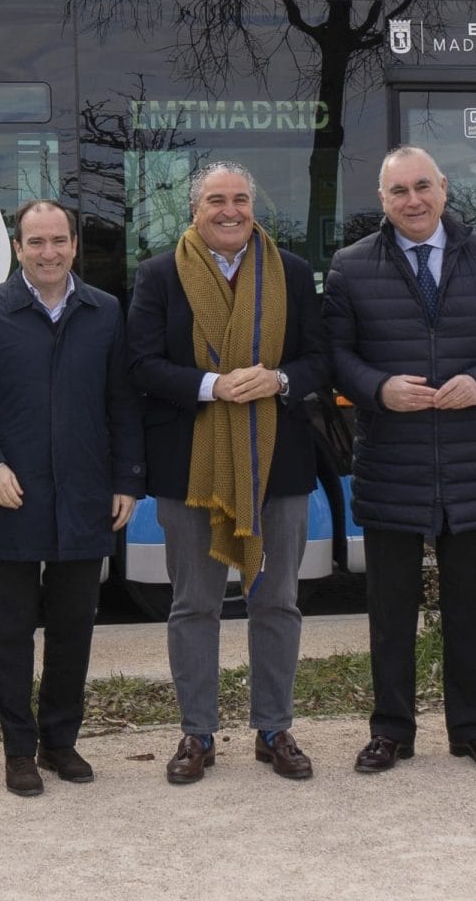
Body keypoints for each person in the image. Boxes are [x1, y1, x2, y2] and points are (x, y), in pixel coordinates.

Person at [322, 145, 476, 776]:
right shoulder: (351, 266)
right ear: (382, 199)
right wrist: (378, 389)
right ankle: (391, 731)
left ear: (444, 188)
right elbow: (333, 355)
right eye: (399, 191)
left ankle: (472, 729)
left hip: (471, 463)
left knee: (471, 612)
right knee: (390, 612)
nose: (413, 200)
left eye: (422, 186)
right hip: (391, 464)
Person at [127, 160, 330, 785]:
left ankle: (274, 729)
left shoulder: (290, 271)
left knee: (278, 601)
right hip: (191, 466)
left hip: (279, 465)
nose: (230, 210)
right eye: (216, 199)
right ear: (195, 210)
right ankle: (197, 732)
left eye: (241, 198)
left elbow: (321, 359)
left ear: (253, 207)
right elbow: (140, 364)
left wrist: (279, 380)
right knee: (194, 604)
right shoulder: (160, 275)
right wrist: (212, 386)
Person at [0, 200, 143, 796]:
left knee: (73, 628)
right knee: (10, 633)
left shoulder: (105, 311)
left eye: (58, 241)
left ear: (74, 246)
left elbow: (122, 400)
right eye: (36, 242)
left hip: (85, 497)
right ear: (18, 247)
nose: (48, 253)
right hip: (11, 496)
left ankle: (59, 742)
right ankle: (18, 750)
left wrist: (128, 479)